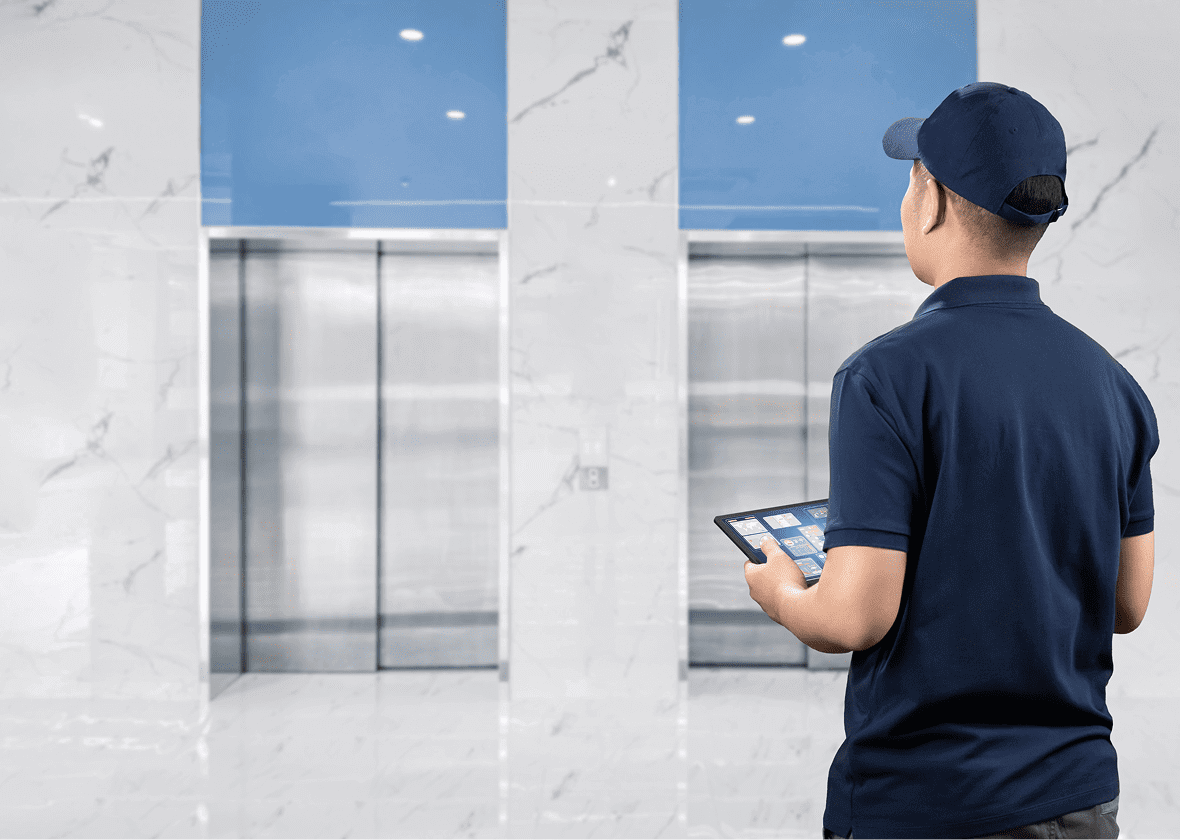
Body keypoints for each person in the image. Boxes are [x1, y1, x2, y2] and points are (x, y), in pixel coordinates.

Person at [743, 82, 1158, 840]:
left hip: (928, 802)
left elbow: (854, 615)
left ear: (931, 200)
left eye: (911, 179)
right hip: (1079, 797)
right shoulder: (1115, 385)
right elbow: (1127, 604)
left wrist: (779, 591)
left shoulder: (885, 377)